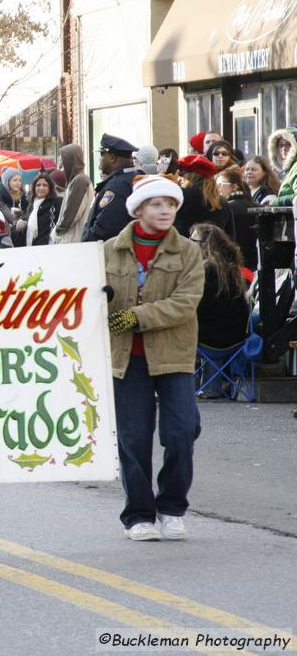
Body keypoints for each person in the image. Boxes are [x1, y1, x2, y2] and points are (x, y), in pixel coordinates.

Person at [104, 174, 204, 541]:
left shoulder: (189, 251)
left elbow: (185, 303)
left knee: (181, 432)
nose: (165, 211)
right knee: (133, 438)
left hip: (173, 355)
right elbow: (89, 298)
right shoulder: (109, 250)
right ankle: (139, 515)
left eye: (171, 204)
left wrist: (136, 317)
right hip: (126, 359)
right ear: (139, 209)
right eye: (157, 204)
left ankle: (172, 507)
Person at [190, 223, 251, 398]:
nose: (189, 244)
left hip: (210, 341)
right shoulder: (232, 269)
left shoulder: (206, 270)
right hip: (237, 339)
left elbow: (197, 309)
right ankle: (212, 386)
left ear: (205, 245)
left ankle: (186, 387)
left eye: (193, 241)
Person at [81, 133, 142, 242]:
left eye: (102, 155)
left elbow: (105, 228)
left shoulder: (116, 186)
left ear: (112, 158)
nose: (100, 160)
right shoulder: (131, 177)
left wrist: (86, 241)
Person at [215, 166, 257, 270]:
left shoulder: (225, 209)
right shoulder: (255, 205)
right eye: (216, 185)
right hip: (255, 263)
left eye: (221, 185)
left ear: (234, 187)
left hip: (235, 264)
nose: (217, 189)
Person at [174, 155, 226, 236]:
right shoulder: (221, 200)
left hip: (188, 246)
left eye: (182, 174)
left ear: (189, 175)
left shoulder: (183, 195)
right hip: (215, 247)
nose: (180, 179)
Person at [52, 144, 92, 244]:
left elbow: (72, 212)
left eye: (63, 161)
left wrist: (58, 230)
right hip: (72, 239)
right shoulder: (76, 180)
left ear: (71, 161)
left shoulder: (80, 181)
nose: (61, 166)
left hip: (73, 240)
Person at [25, 171, 61, 246]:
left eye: (45, 185)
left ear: (50, 188)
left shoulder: (56, 202)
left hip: (49, 247)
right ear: (34, 188)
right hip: (32, 247)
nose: (41, 188)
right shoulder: (32, 206)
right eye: (38, 185)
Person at [269, 127, 297, 207]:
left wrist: (275, 202)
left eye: (288, 144)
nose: (283, 149)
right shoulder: (290, 169)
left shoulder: (295, 167)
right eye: (280, 145)